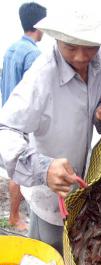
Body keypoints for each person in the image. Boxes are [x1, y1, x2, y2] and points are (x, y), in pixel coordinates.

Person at [0, 10, 101, 254]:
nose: (81, 56)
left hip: (88, 187)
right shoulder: (41, 76)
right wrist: (43, 169)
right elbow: (6, 129)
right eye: (70, 47)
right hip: (51, 193)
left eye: (90, 46)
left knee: (83, 257)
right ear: (56, 38)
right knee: (48, 259)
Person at [1, 2, 47, 231]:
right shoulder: (33, 55)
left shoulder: (11, 50)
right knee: (23, 169)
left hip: (7, 120)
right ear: (40, 25)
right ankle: (16, 217)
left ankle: (13, 214)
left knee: (13, 168)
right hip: (23, 121)